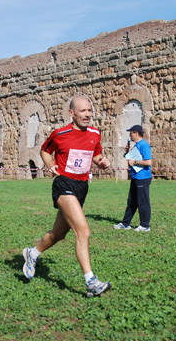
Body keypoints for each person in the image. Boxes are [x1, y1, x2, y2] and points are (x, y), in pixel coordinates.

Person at [22, 94, 112, 298]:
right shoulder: (60, 134)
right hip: (63, 185)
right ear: (72, 113)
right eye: (83, 111)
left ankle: (32, 253)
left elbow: (95, 154)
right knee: (83, 231)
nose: (88, 114)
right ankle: (91, 282)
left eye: (89, 110)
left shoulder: (95, 133)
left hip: (82, 187)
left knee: (58, 234)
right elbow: (45, 150)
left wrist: (102, 161)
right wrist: (50, 165)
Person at [113, 125, 153, 232]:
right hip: (135, 177)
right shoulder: (136, 145)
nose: (130, 134)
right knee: (131, 201)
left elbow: (148, 162)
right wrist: (128, 153)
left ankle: (145, 225)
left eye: (131, 133)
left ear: (137, 133)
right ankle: (126, 223)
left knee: (143, 202)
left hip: (143, 178)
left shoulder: (144, 145)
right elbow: (133, 159)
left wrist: (134, 162)